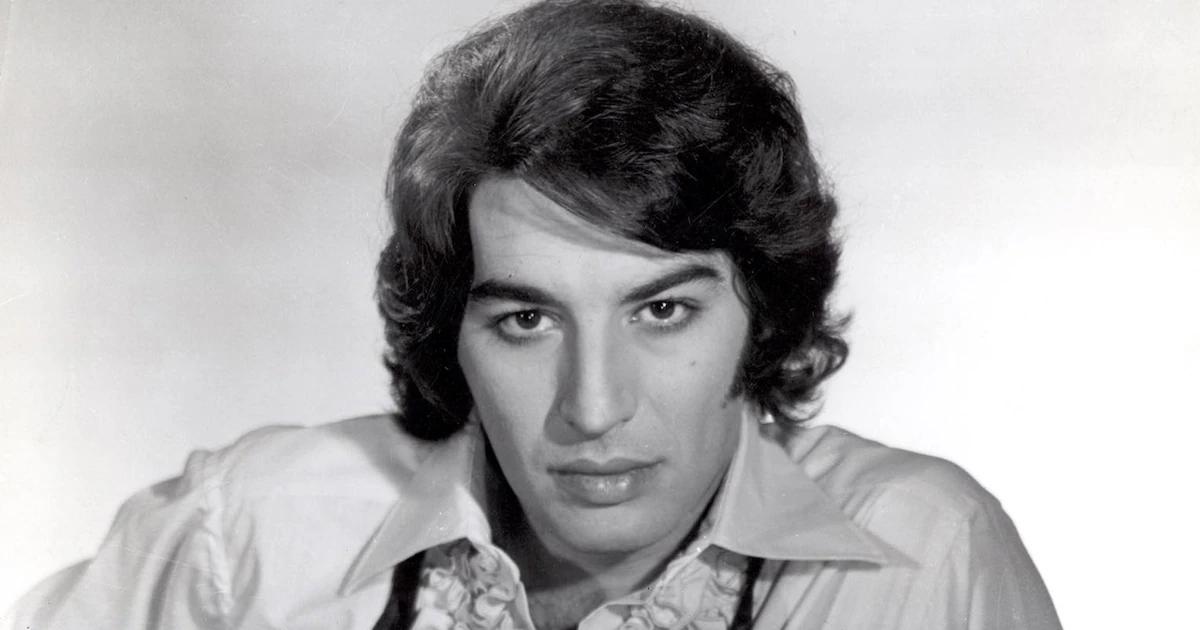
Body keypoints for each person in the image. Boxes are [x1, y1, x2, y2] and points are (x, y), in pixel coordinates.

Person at [7, 0, 1060, 628]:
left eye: (662, 311)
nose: (592, 409)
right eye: (527, 322)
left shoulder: (915, 556)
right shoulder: (247, 530)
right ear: (450, 332)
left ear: (764, 314)